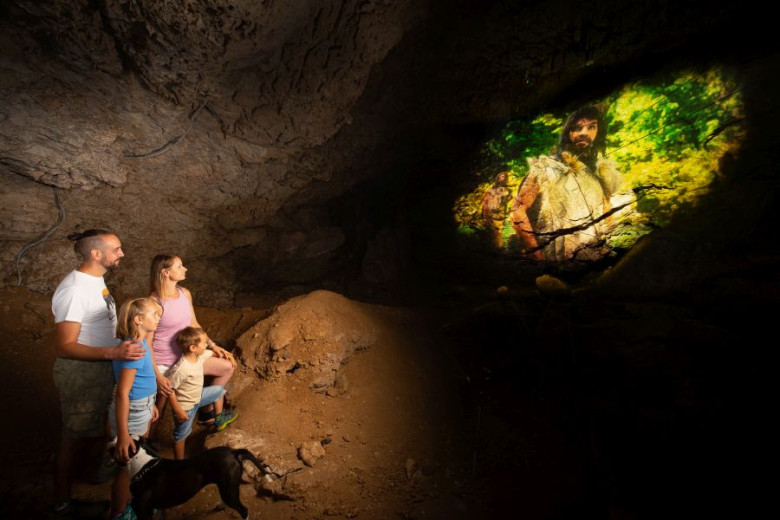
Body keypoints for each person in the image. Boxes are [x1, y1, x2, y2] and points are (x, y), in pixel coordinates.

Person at [50, 229, 146, 519]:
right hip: (81, 372)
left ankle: (95, 473)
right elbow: (66, 346)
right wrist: (113, 353)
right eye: (116, 249)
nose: (122, 254)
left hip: (100, 367)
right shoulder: (74, 290)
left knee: (93, 428)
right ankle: (62, 504)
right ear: (96, 254)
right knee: (73, 437)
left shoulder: (96, 281)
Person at [510, 104, 625, 262]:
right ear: (567, 132)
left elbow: (608, 219)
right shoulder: (545, 168)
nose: (584, 133)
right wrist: (537, 256)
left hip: (592, 264)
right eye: (577, 127)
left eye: (592, 127)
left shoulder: (598, 176)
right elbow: (517, 211)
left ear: (598, 132)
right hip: (553, 266)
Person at [148, 254, 236, 426]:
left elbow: (194, 323)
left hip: (189, 356)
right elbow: (147, 342)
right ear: (165, 272)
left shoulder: (184, 293)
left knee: (227, 366)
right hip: (165, 362)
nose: (185, 269)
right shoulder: (153, 302)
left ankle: (205, 412)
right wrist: (158, 375)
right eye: (179, 266)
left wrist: (213, 345)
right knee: (160, 404)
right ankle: (144, 443)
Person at [108, 298, 162, 518]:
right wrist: (122, 434)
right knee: (126, 467)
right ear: (139, 320)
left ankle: (132, 502)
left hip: (143, 406)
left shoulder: (139, 344)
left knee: (137, 459)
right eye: (154, 315)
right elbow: (122, 393)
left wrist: (151, 406)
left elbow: (142, 381)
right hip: (133, 410)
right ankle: (120, 513)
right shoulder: (135, 351)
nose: (158, 319)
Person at [167, 326, 238, 459]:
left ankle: (219, 420)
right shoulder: (181, 369)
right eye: (204, 343)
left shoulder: (200, 356)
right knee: (181, 437)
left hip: (198, 397)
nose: (207, 345)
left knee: (218, 391)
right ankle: (180, 465)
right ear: (193, 348)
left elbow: (215, 353)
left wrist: (230, 356)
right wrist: (178, 410)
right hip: (185, 408)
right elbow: (169, 390)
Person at [480, 171, 512, 248]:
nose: (502, 178)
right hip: (489, 212)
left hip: (497, 212)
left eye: (504, 177)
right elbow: (485, 201)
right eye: (500, 176)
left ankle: (499, 248)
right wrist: (484, 214)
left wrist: (507, 199)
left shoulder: (505, 190)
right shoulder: (491, 189)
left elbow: (504, 201)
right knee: (491, 232)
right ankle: (493, 249)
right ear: (497, 178)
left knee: (498, 231)